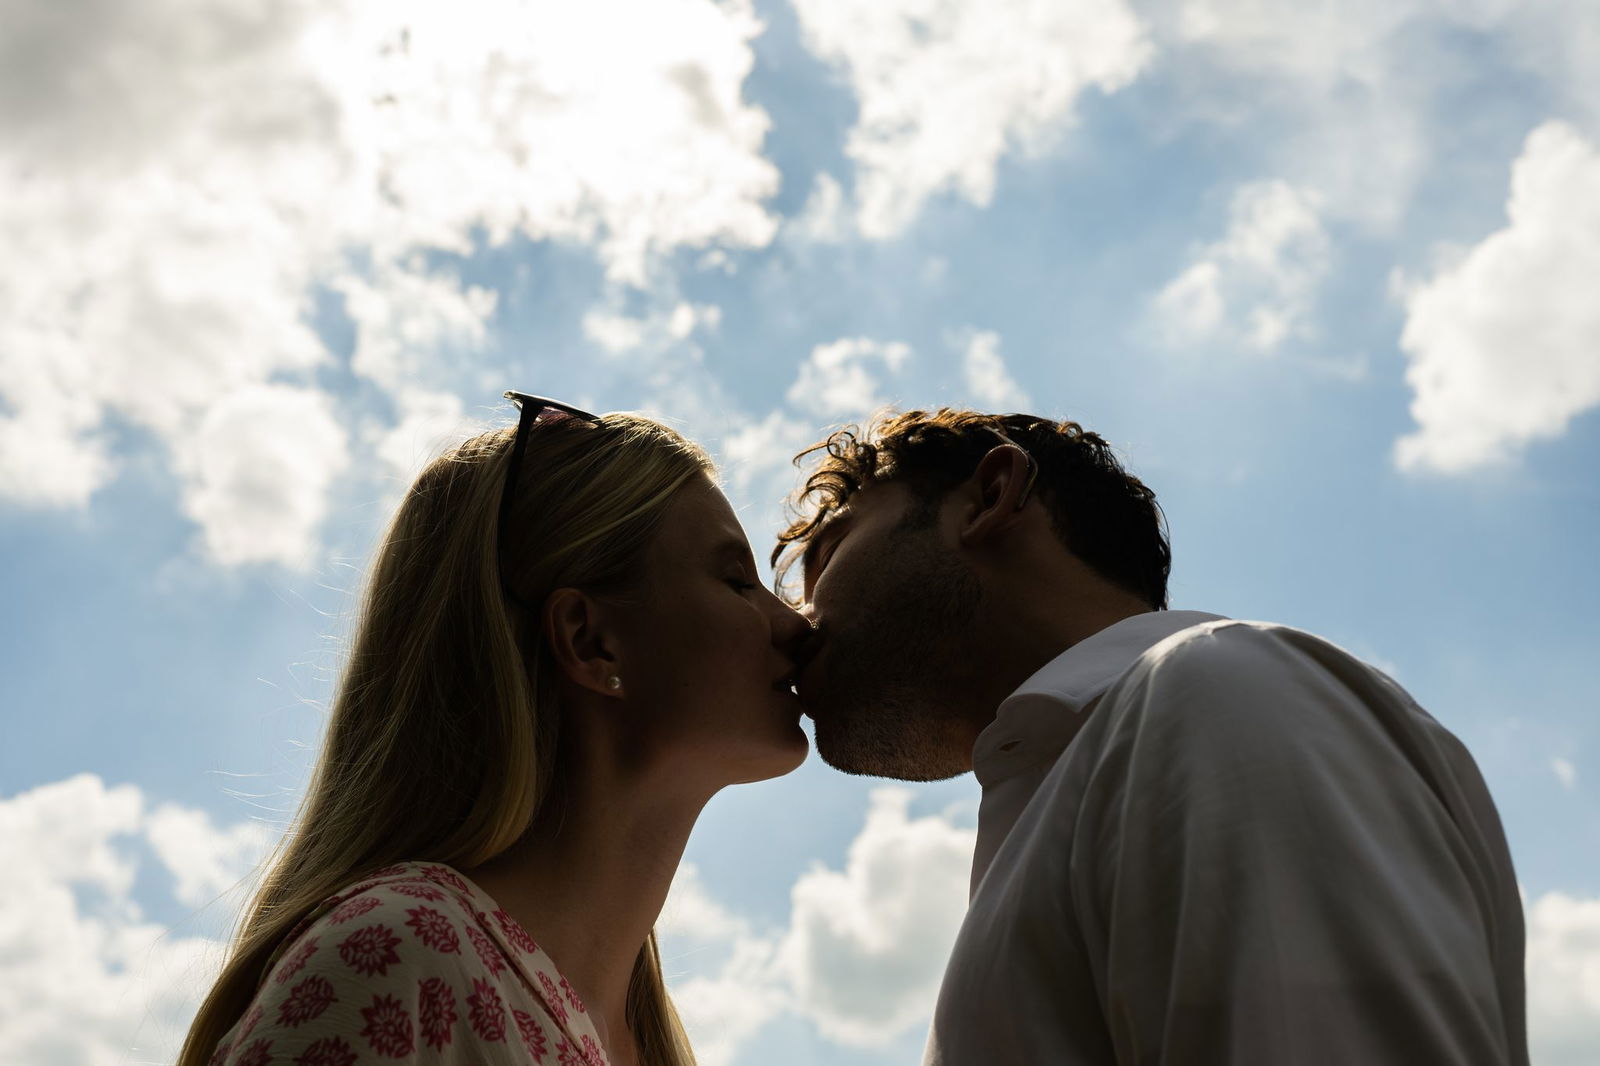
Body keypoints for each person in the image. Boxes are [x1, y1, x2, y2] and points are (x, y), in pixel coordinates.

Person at [772, 407, 1529, 1066]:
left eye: (829, 553)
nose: (797, 619)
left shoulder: (1214, 690)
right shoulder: (1091, 777)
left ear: (991, 497)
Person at [179, 393, 814, 1066]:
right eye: (737, 580)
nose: (794, 625)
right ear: (591, 641)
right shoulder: (395, 958)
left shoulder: (638, 1043)